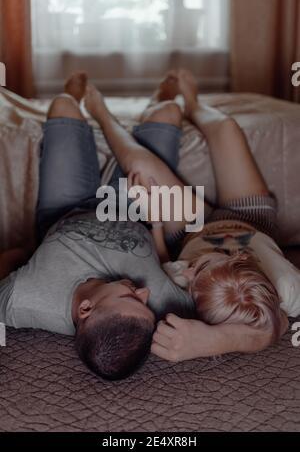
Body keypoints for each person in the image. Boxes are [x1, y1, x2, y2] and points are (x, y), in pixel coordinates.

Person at [84, 69, 290, 363]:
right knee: (227, 128)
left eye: (190, 282)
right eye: (201, 265)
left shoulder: (196, 293)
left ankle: (101, 113)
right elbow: (278, 323)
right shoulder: (286, 283)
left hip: (191, 229)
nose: (187, 271)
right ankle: (192, 103)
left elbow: (165, 262)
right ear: (239, 258)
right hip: (251, 219)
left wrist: (155, 223)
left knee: (141, 167)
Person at [0, 72, 195, 381]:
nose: (144, 292)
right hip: (133, 204)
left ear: (86, 310)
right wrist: (155, 219)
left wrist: (22, 254)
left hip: (66, 208)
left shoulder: (25, 300)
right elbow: (251, 319)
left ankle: (77, 94)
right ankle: (156, 100)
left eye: (133, 299)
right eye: (147, 306)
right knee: (169, 112)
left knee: (63, 105)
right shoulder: (162, 303)